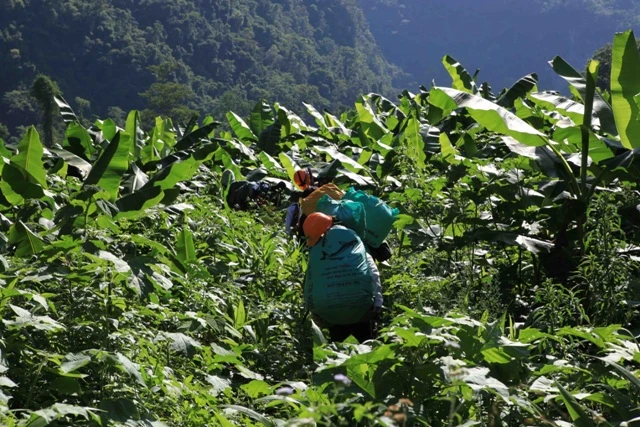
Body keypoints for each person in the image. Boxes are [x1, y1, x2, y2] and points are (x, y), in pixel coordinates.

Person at [302, 212, 383, 342]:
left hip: (331, 313)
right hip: (361, 309)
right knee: (365, 345)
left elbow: (310, 281)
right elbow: (372, 271)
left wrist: (315, 311)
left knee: (339, 347)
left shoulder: (317, 251)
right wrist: (377, 302)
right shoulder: (351, 240)